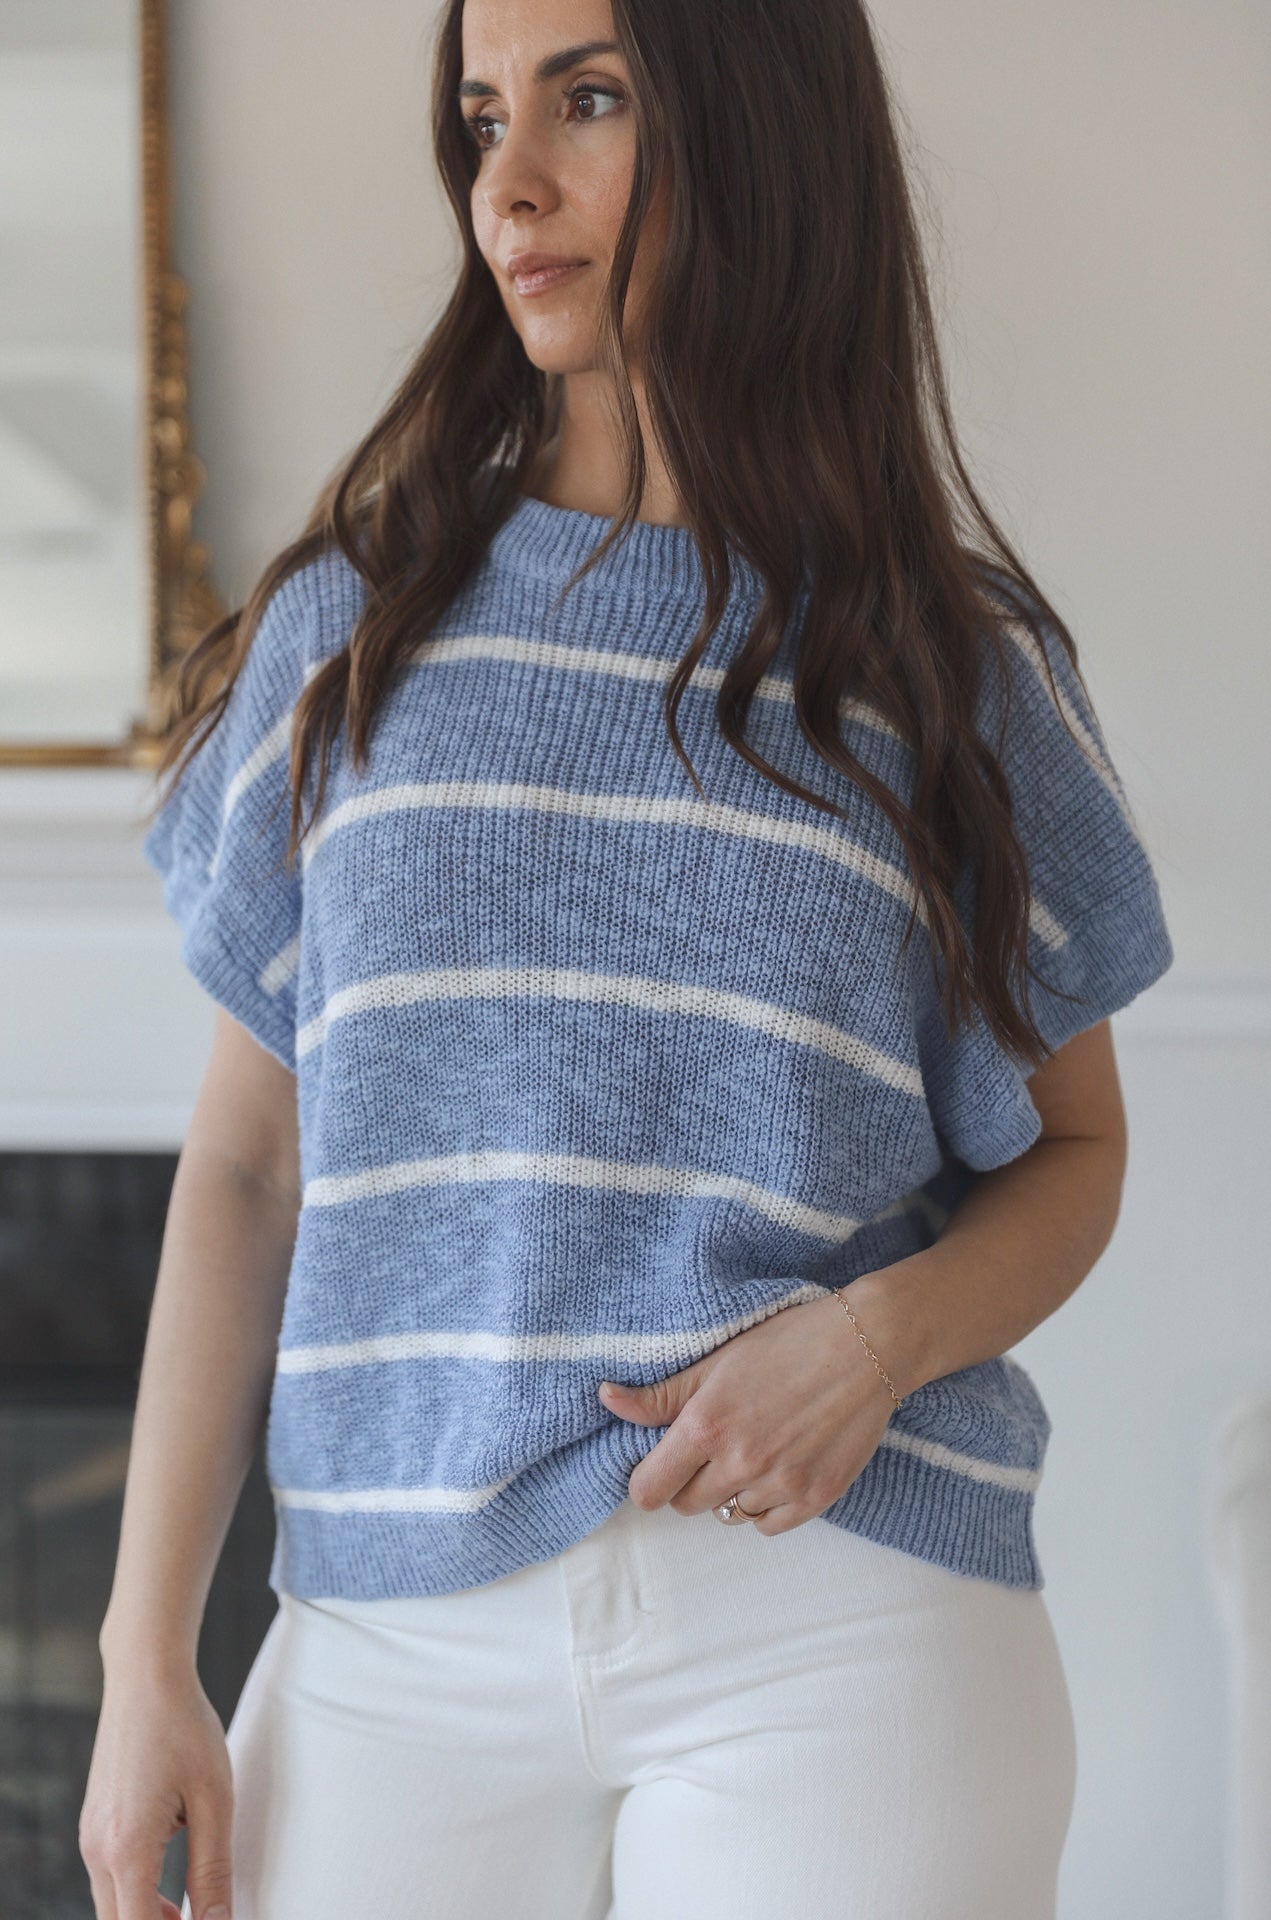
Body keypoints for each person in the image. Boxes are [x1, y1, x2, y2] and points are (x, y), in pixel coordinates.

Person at [79, 0, 1176, 1915]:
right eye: (484, 115)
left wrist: (870, 1343)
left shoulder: (951, 666)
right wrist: (142, 1659)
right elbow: (251, 1166)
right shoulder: (353, 628)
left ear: (757, 125)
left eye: (588, 101)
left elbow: (1074, 1157)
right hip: (386, 1630)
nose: (508, 182)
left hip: (842, 1621)